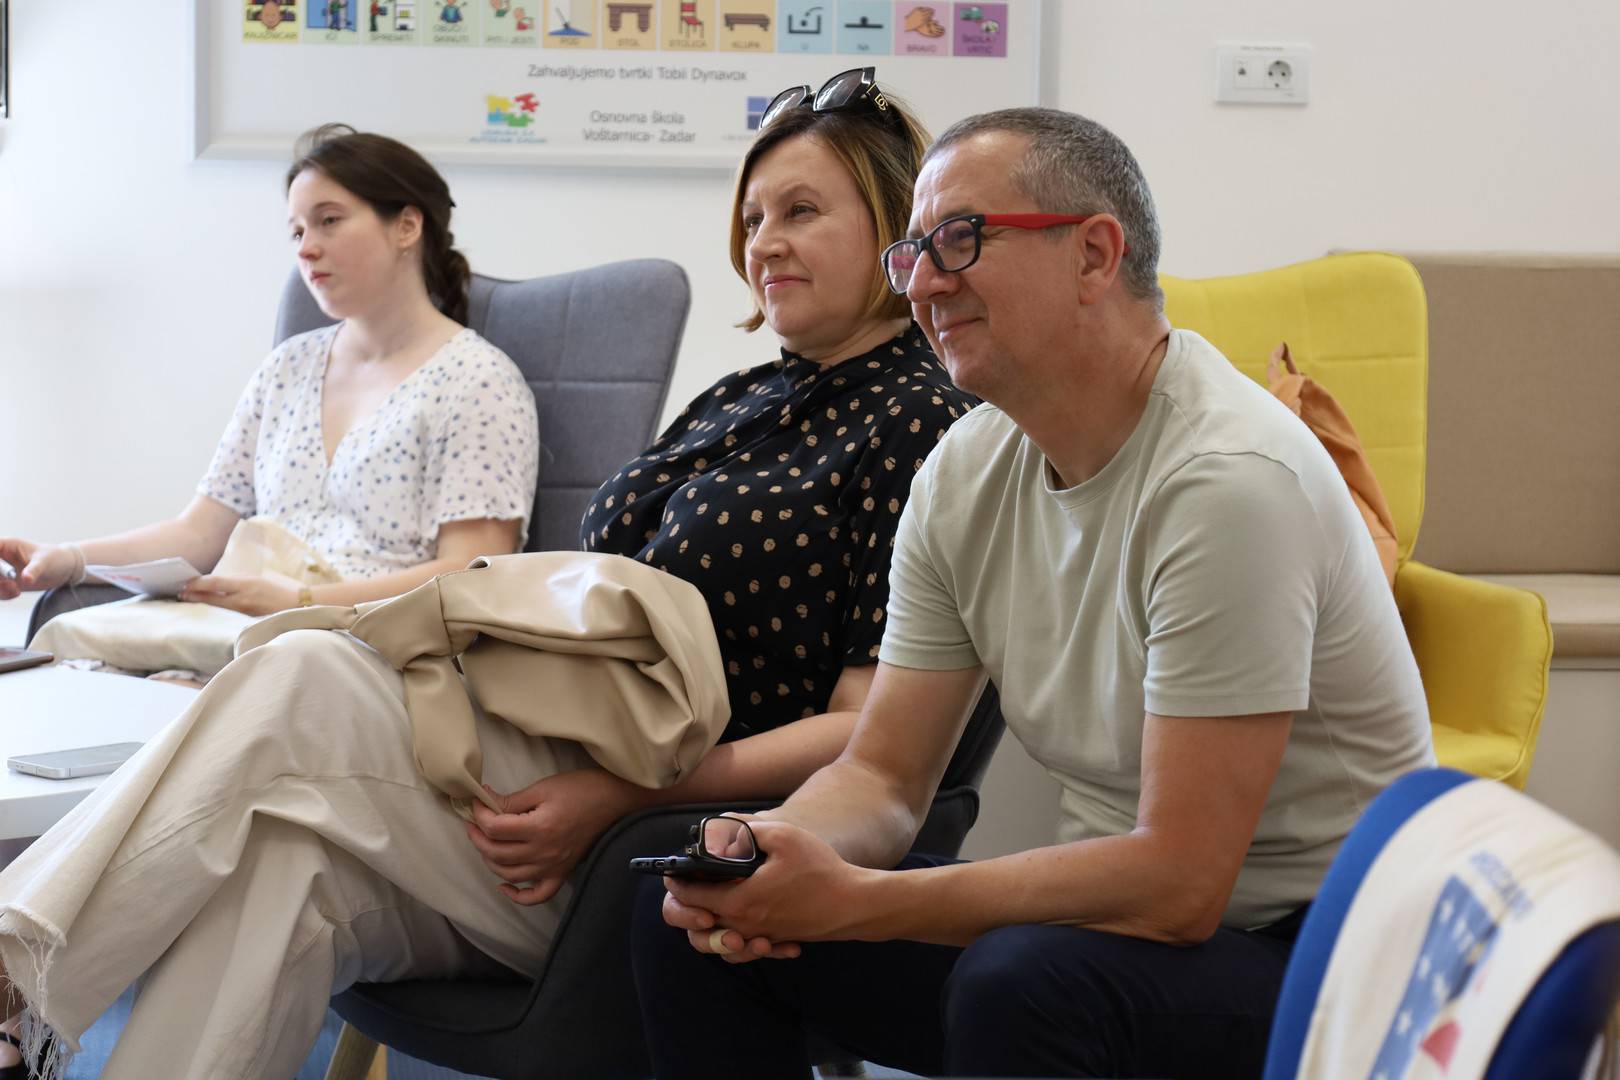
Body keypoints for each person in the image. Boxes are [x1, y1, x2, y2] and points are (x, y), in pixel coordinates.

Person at [0, 70, 977, 1079]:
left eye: (801, 211)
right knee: (284, 870)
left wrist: (615, 798)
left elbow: (873, 732)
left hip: (653, 840)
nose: (763, 242)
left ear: (896, 226)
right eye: (754, 217)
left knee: (302, 673)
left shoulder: (920, 422)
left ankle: (13, 969)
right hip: (543, 772)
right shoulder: (737, 399)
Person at [633, 107, 1437, 1080]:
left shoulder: (1228, 481)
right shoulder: (963, 472)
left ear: (1094, 255)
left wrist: (857, 901)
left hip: (1330, 960)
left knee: (1022, 982)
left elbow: (1179, 883)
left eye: (960, 240)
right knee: (700, 917)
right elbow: (883, 777)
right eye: (913, 252)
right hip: (1114, 939)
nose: (923, 282)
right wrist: (769, 851)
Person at [0, 124, 539, 676]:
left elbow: (469, 575)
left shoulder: (477, 381)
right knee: (68, 640)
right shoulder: (288, 369)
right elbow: (200, 533)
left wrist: (301, 603)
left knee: (271, 666)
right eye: (297, 231)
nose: (306, 248)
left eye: (329, 220)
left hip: (372, 647)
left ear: (406, 226)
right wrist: (67, 558)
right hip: (250, 632)